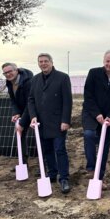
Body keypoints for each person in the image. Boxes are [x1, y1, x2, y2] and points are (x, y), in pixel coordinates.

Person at [28, 53, 72, 194]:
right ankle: (52, 174)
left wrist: (65, 120)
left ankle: (64, 178)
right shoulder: (35, 80)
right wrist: (33, 116)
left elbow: (67, 101)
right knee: (47, 150)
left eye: (46, 61)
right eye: (41, 61)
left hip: (58, 122)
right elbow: (31, 100)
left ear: (52, 62)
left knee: (59, 149)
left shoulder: (62, 78)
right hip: (41, 123)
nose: (43, 64)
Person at [82, 50, 110, 187]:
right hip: (91, 113)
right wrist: (97, 114)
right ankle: (91, 167)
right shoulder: (93, 73)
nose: (109, 64)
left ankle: (99, 177)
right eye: (107, 61)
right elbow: (88, 96)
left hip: (107, 117)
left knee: (104, 145)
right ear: (103, 61)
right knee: (89, 135)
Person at [1, 62, 33, 171]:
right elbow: (13, 100)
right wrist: (16, 113)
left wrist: (22, 122)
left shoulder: (28, 82)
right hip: (24, 111)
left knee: (41, 137)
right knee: (20, 135)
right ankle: (23, 163)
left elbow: (30, 102)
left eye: (10, 71)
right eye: (5, 73)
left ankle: (45, 165)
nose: (8, 74)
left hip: (35, 111)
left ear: (17, 70)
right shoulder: (9, 83)